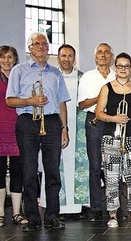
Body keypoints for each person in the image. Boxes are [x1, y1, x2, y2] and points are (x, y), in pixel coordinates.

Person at [6, 32, 70, 232]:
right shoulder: (19, 70)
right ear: (30, 48)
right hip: (27, 120)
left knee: (53, 171)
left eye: (44, 43)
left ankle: (52, 215)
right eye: (36, 44)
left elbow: (61, 102)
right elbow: (10, 100)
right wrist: (29, 101)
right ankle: (32, 217)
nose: (41, 46)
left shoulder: (55, 72)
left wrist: (64, 127)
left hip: (51, 121)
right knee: (28, 170)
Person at [95, 52, 131, 228]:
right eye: (120, 66)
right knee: (111, 178)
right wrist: (114, 119)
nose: (123, 69)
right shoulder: (107, 88)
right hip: (112, 138)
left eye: (126, 66)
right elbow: (98, 113)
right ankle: (113, 214)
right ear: (115, 67)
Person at [0, 45, 28, 227]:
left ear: (15, 59)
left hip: (17, 130)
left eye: (10, 57)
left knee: (18, 172)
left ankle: (17, 212)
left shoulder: (20, 76)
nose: (7, 60)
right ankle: (1, 213)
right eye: (3, 57)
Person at [77, 43, 116, 221]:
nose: (103, 55)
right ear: (95, 57)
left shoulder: (117, 74)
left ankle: (113, 206)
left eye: (106, 52)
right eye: (99, 52)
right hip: (94, 121)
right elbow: (82, 104)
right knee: (95, 166)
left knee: (114, 166)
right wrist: (101, 97)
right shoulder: (87, 77)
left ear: (111, 56)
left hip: (113, 121)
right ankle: (95, 207)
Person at [56, 44, 87, 217]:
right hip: (57, 127)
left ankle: (78, 206)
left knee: (79, 165)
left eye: (70, 56)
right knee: (56, 164)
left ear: (74, 58)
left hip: (78, 128)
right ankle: (57, 205)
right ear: (58, 57)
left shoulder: (81, 78)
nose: (66, 59)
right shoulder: (52, 76)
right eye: (63, 55)